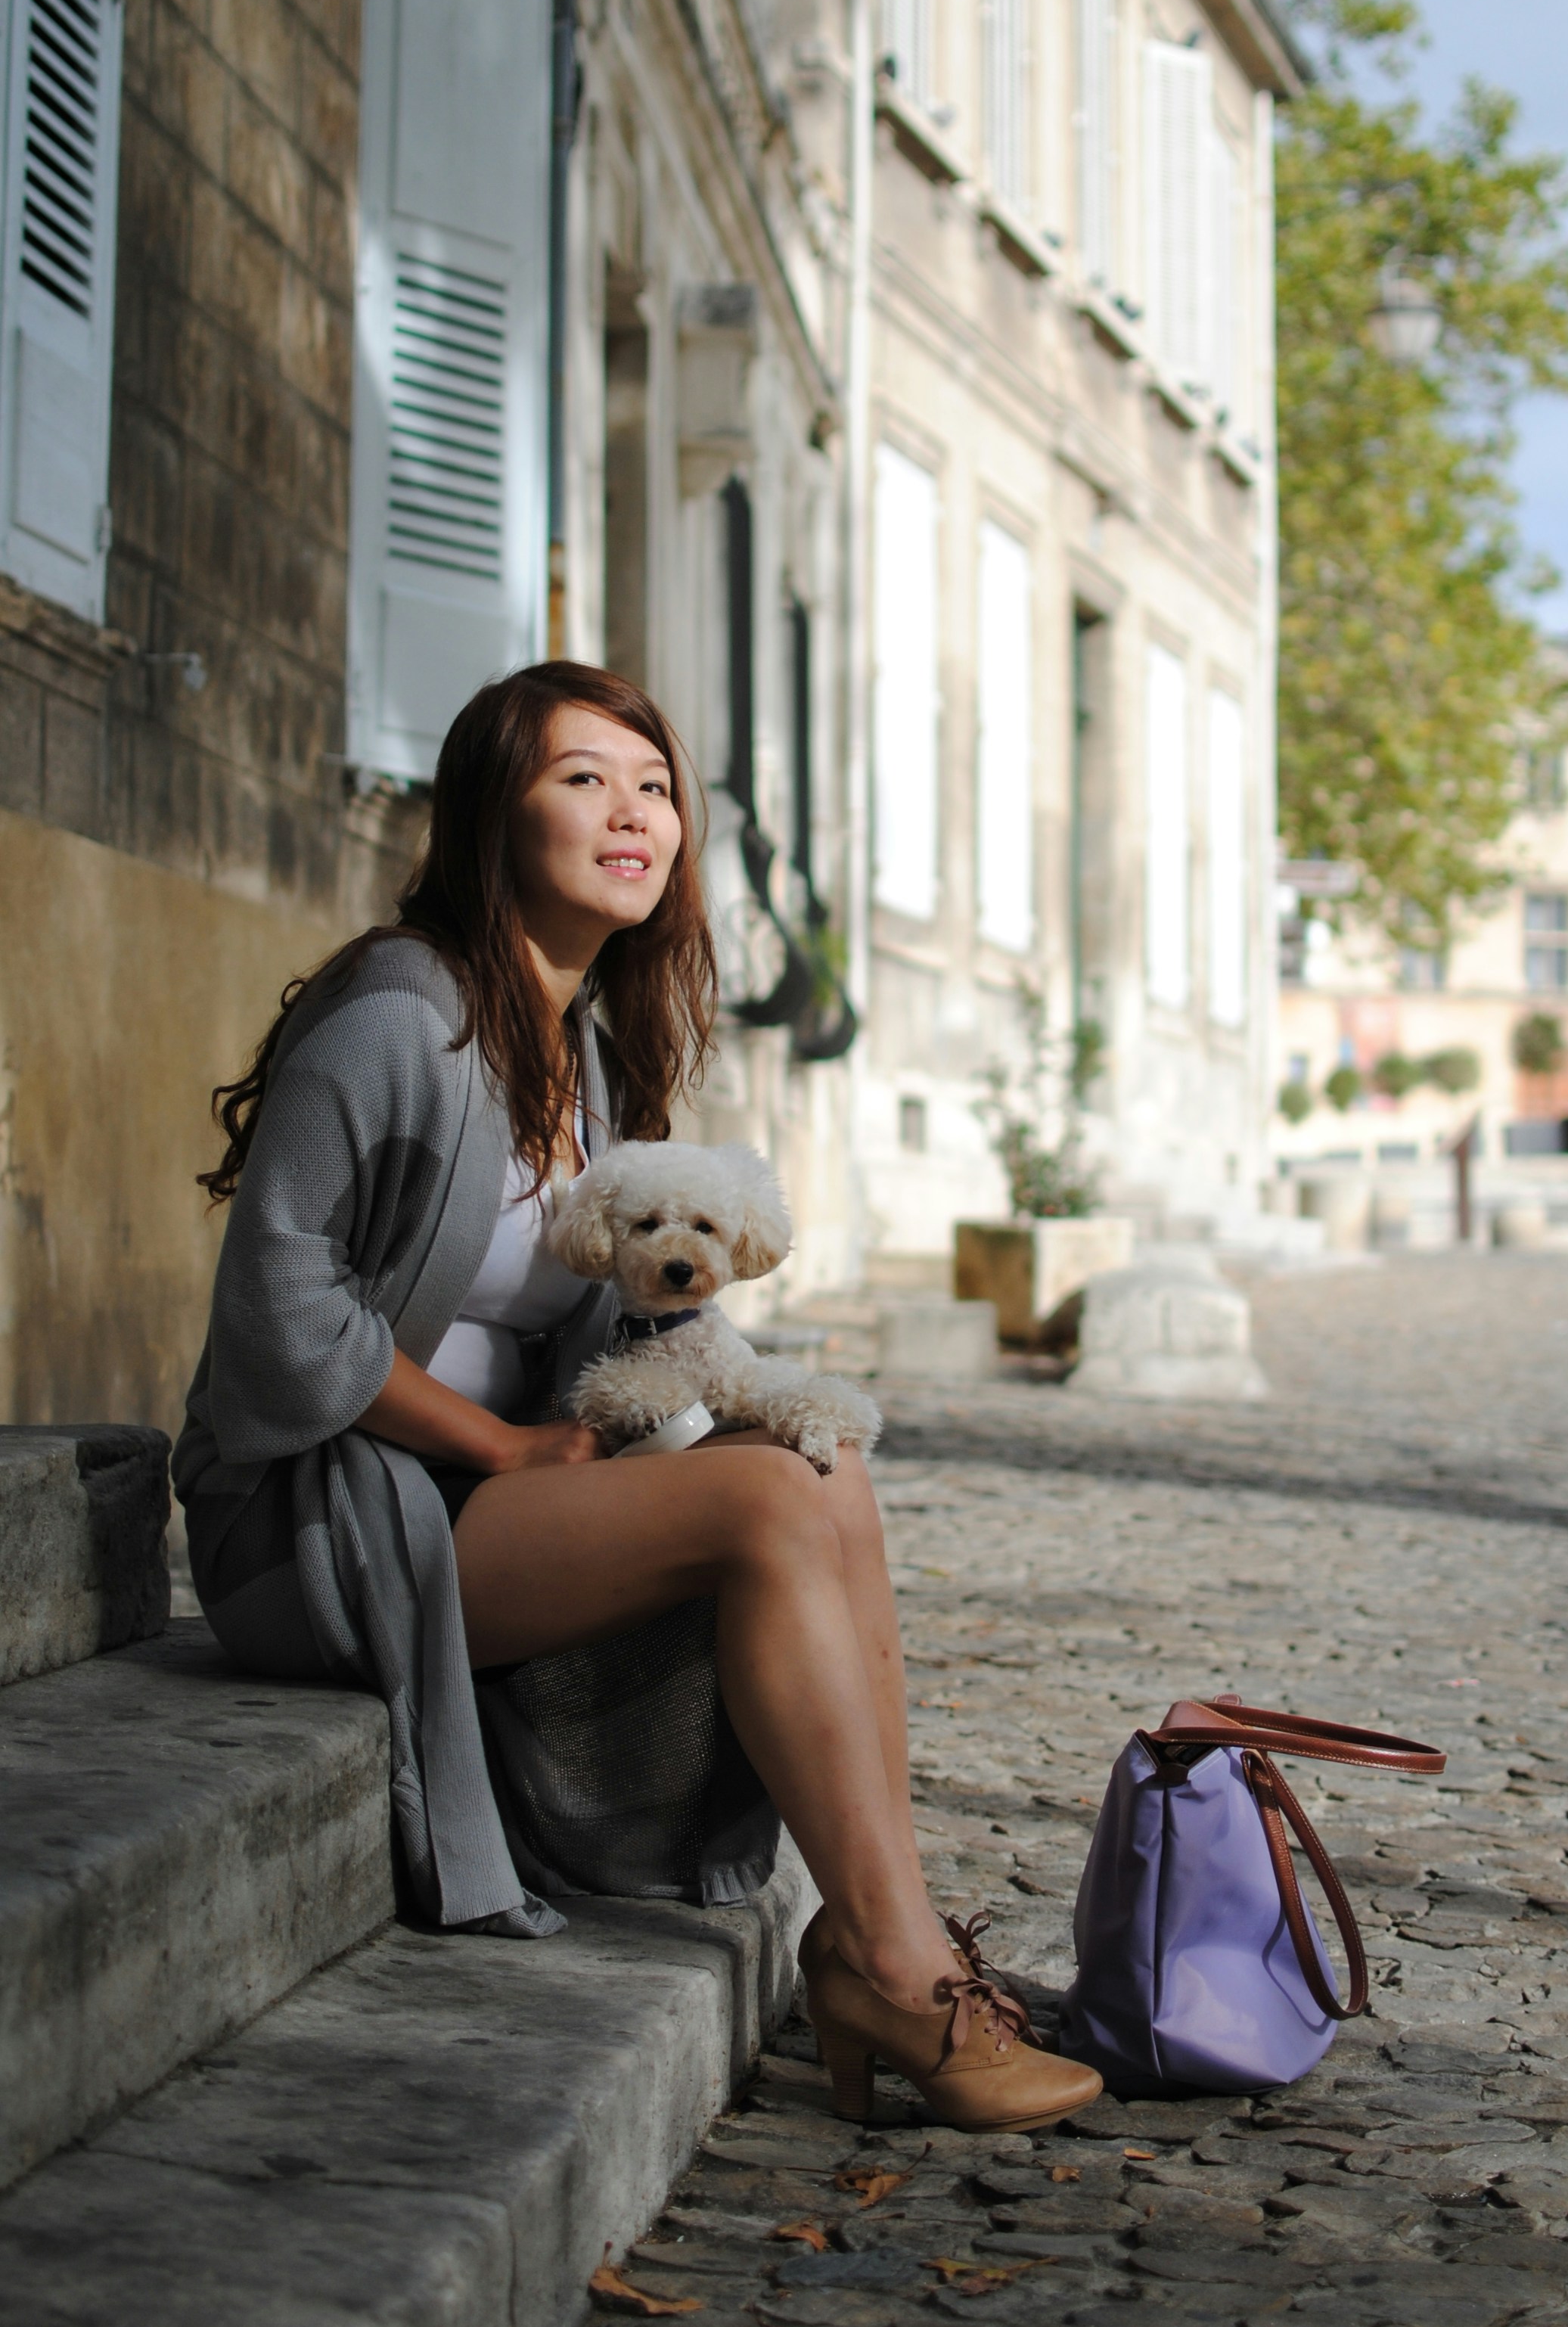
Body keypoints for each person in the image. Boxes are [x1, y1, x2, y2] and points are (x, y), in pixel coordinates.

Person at [175, 660, 1098, 2134]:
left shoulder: (590, 1050)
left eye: (655, 786)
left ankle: (891, 1936)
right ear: (496, 811)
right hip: (321, 1520)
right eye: (582, 778)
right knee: (757, 1497)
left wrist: (684, 1404)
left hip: (489, 1503)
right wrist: (501, 1443)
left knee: (814, 1463)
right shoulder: (400, 1012)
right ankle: (894, 1963)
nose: (632, 813)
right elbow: (275, 1305)